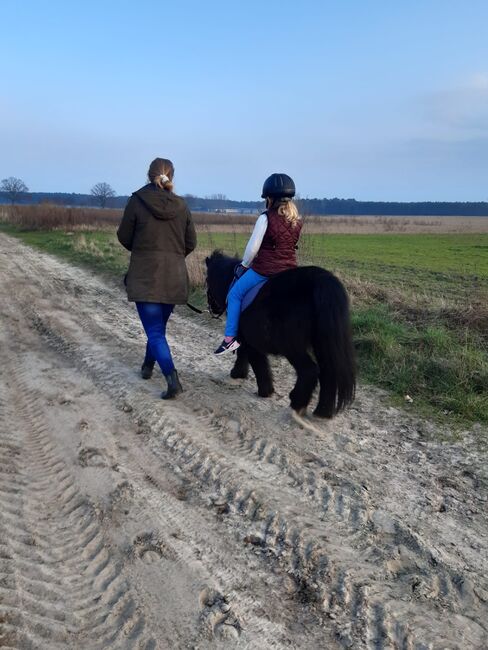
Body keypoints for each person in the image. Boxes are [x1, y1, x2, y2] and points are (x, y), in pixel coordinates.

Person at [117, 158, 196, 398]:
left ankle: (173, 381)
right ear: (172, 175)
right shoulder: (181, 206)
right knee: (158, 328)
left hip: (146, 276)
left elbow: (124, 236)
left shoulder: (136, 201)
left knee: (155, 332)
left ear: (148, 174)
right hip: (173, 277)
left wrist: (142, 251)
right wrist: (173, 256)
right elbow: (191, 243)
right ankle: (147, 366)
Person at [214, 173, 302, 354]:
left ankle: (230, 339)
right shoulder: (296, 221)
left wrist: (245, 265)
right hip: (289, 272)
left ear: (269, 198)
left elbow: (252, 248)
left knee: (234, 295)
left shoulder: (265, 218)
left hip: (265, 270)